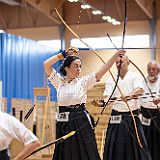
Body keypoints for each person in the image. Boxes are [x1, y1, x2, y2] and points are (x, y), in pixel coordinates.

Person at [43, 46, 125, 160]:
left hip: (80, 120)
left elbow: (102, 70)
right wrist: (62, 54)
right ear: (66, 68)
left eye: (80, 66)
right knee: (65, 153)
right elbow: (46, 64)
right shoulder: (59, 81)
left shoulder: (83, 82)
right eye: (75, 66)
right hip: (64, 122)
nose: (78, 69)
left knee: (86, 152)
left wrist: (115, 56)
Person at [102, 55, 151, 160]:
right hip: (116, 116)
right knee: (114, 145)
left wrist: (129, 96)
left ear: (128, 62)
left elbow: (139, 89)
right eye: (117, 63)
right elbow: (108, 97)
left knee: (138, 146)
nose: (119, 65)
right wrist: (102, 102)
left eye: (121, 62)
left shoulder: (135, 76)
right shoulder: (111, 79)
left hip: (132, 116)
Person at [140, 60, 160, 160]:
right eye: (149, 69)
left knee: (157, 141)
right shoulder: (142, 81)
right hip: (144, 114)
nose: (151, 71)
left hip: (157, 114)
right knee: (145, 140)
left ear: (158, 70)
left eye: (154, 69)